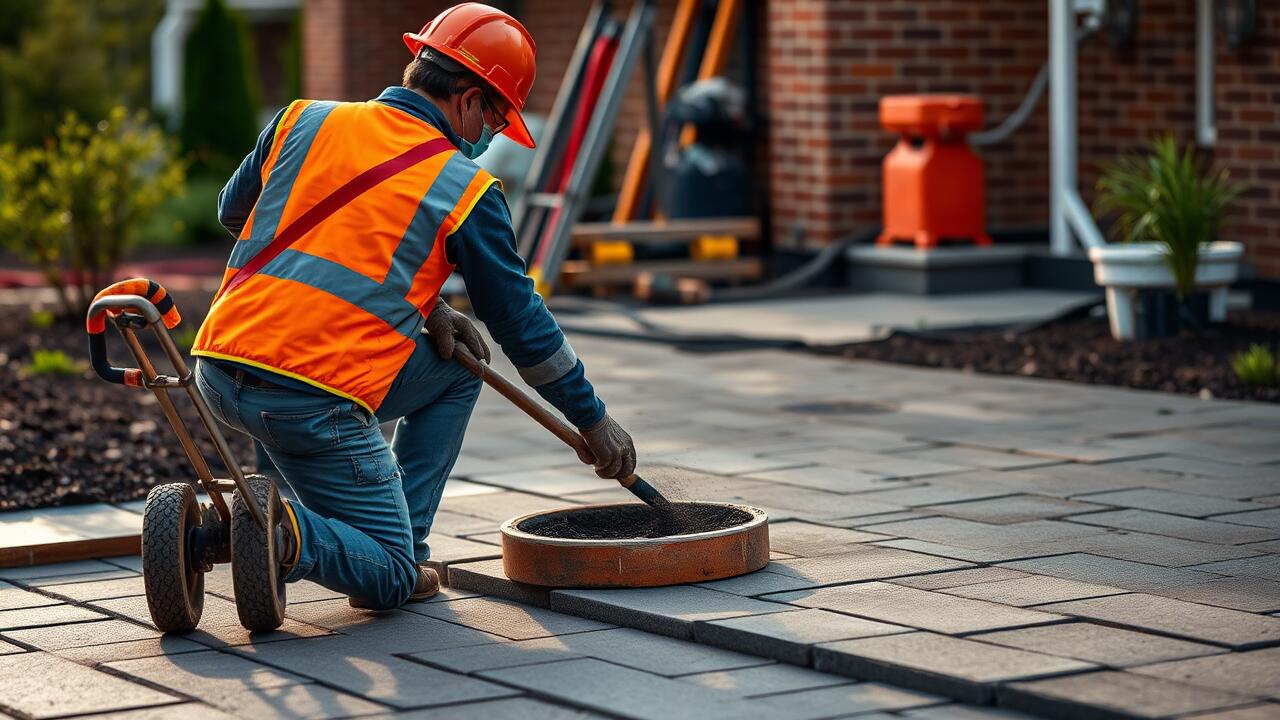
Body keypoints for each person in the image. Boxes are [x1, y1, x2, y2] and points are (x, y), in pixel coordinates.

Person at [191, 2, 637, 611]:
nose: (489, 138)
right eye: (496, 120)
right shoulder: (464, 188)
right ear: (469, 99)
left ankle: (268, 516)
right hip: (310, 400)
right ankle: (304, 536)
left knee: (460, 359)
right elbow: (520, 323)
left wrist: (430, 312)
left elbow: (233, 210)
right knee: (392, 573)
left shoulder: (304, 120)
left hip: (217, 374)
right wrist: (591, 420)